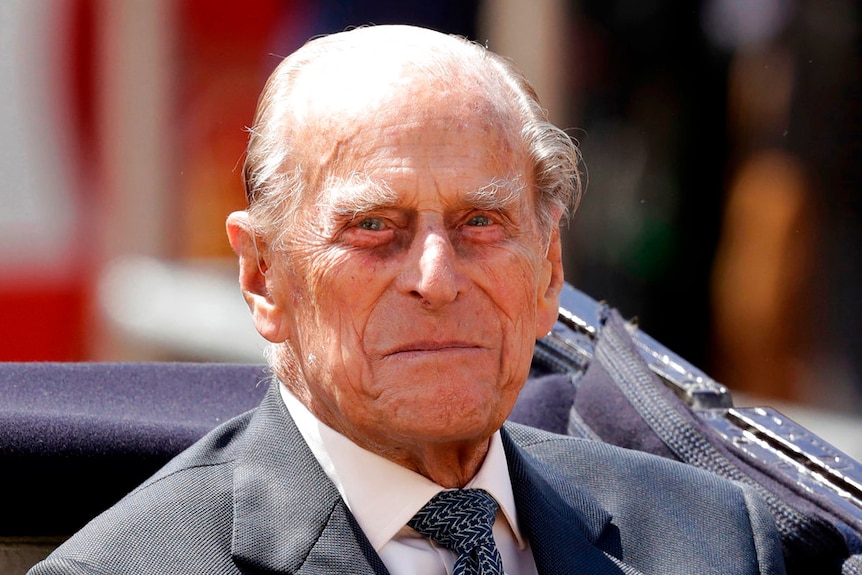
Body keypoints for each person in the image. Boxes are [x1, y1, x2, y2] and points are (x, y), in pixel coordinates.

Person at [29, 24, 786, 575]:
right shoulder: (127, 567)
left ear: (550, 267)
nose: (437, 276)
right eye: (373, 227)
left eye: (480, 223)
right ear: (263, 275)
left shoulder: (714, 538)